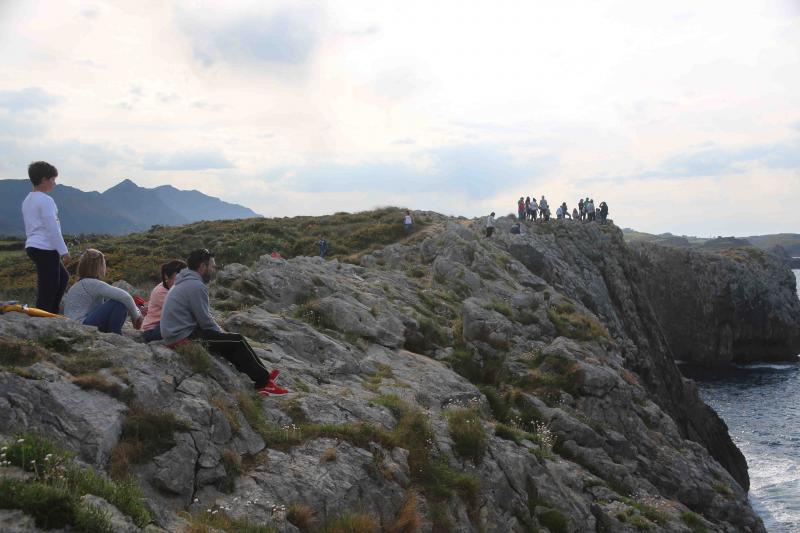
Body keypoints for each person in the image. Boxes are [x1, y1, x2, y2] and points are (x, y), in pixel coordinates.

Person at [160, 249, 287, 396]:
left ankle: (261, 376)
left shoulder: (185, 281)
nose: (214, 270)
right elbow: (205, 320)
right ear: (202, 267)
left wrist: (221, 335)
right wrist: (221, 333)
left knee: (229, 342)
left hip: (177, 333)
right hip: (182, 337)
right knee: (237, 340)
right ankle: (264, 383)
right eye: (212, 266)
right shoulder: (195, 286)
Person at [22, 161, 70, 314]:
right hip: (45, 247)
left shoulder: (27, 200)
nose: (54, 183)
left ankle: (51, 312)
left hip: (33, 245)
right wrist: (64, 251)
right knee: (49, 286)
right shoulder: (46, 200)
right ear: (44, 179)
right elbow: (52, 228)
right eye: (52, 180)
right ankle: (43, 316)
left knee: (62, 278)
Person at [63, 249, 143, 334]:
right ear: (99, 267)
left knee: (115, 301)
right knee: (118, 303)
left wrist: (135, 309)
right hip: (82, 326)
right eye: (104, 264)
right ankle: (115, 334)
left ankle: (111, 333)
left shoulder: (78, 285)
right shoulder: (91, 283)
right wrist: (137, 316)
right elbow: (125, 297)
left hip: (72, 326)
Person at [141, 260, 187, 343]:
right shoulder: (161, 292)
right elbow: (180, 311)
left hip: (164, 326)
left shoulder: (176, 289)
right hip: (152, 331)